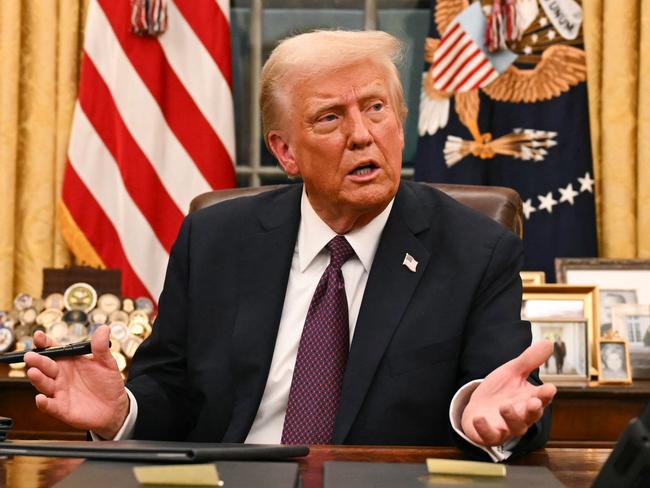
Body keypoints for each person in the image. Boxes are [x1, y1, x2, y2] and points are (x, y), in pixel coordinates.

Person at [24, 30, 556, 462]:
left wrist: (483, 416)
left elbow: (507, 393)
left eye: (376, 108)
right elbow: (172, 388)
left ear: (399, 123)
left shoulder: (476, 248)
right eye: (330, 117)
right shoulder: (216, 239)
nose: (362, 135)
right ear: (285, 152)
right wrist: (122, 415)